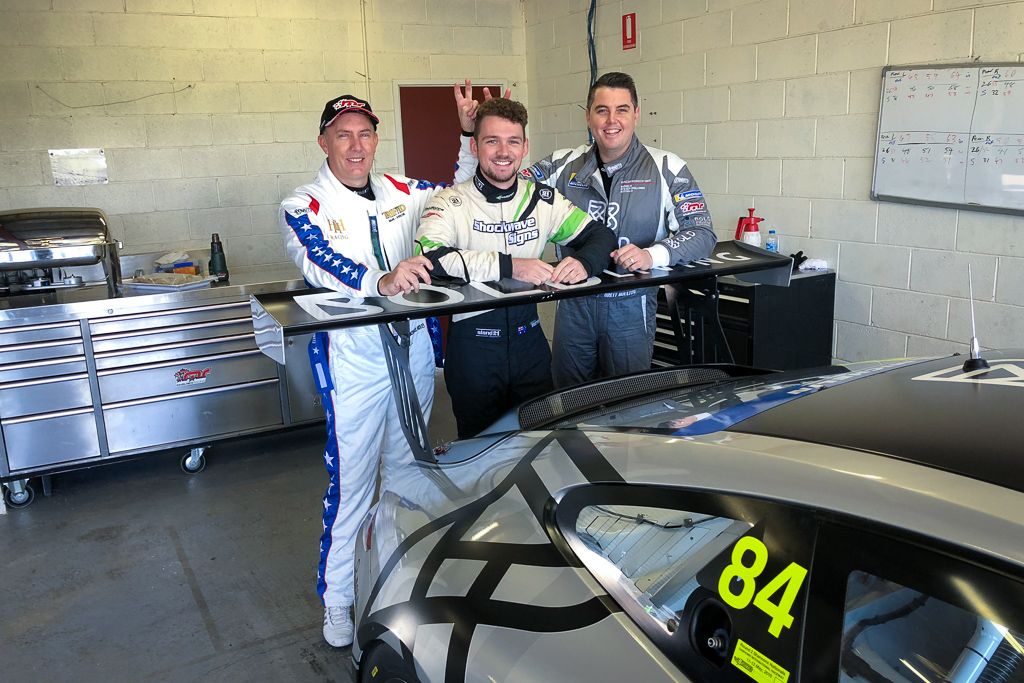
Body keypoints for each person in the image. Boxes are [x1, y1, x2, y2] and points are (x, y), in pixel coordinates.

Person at [279, 93, 474, 648]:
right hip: (354, 362)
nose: (356, 145)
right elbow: (317, 258)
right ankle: (338, 602)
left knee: (411, 474)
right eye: (343, 134)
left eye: (365, 133)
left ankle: (403, 581)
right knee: (354, 488)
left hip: (412, 351)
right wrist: (379, 280)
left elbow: (455, 197)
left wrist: (465, 137)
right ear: (324, 142)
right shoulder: (304, 202)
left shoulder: (400, 189)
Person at [456, 73, 717, 388]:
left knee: (627, 406)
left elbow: (702, 232)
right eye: (602, 110)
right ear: (588, 115)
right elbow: (495, 184)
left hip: (630, 308)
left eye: (621, 109)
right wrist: (483, 131)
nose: (611, 120)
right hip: (573, 307)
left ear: (636, 113)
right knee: (568, 403)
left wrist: (653, 254)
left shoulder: (667, 166)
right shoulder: (563, 163)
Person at [416, 97, 616, 438]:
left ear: (525, 148)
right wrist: (510, 266)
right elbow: (431, 259)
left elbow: (601, 235)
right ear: (476, 146)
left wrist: (584, 262)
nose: (503, 151)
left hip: (531, 346)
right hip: (474, 348)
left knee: (537, 445)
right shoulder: (450, 201)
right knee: (478, 450)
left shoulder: (543, 199)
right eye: (492, 141)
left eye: (513, 141)